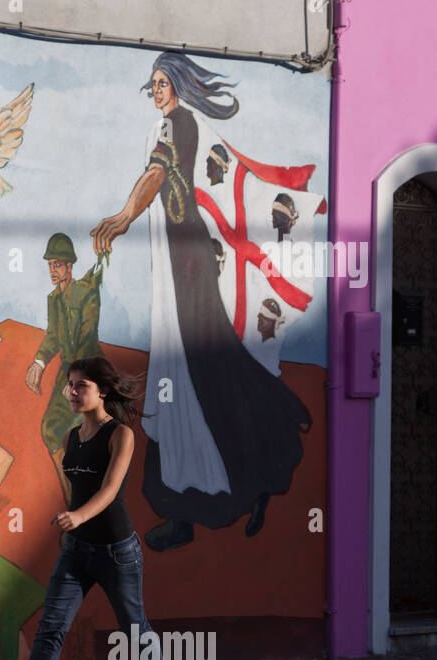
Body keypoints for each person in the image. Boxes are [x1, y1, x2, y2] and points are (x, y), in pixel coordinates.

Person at [90, 51, 311, 551]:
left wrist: (123, 217)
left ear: (180, 85)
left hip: (185, 264)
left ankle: (248, 483)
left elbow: (155, 176)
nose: (157, 90)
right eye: (152, 84)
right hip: (172, 264)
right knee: (179, 382)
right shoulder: (166, 125)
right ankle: (183, 510)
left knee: (200, 375)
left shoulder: (179, 125)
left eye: (163, 81)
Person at [0, 357, 173, 660]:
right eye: (69, 385)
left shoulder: (121, 435)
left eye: (80, 385)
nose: (71, 392)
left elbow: (109, 490)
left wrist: (79, 517)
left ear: (102, 391)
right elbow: (77, 489)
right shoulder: (71, 436)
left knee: (135, 628)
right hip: (77, 550)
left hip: (117, 552)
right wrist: (73, 523)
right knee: (51, 627)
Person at [25, 232, 103, 496]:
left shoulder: (86, 294)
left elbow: (88, 338)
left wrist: (75, 380)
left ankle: (88, 497)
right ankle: (72, 497)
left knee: (83, 434)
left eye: (57, 264)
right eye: (50, 265)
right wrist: (39, 362)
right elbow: (53, 336)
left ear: (70, 266)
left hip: (90, 370)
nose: (52, 270)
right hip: (67, 372)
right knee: (50, 430)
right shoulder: (53, 300)